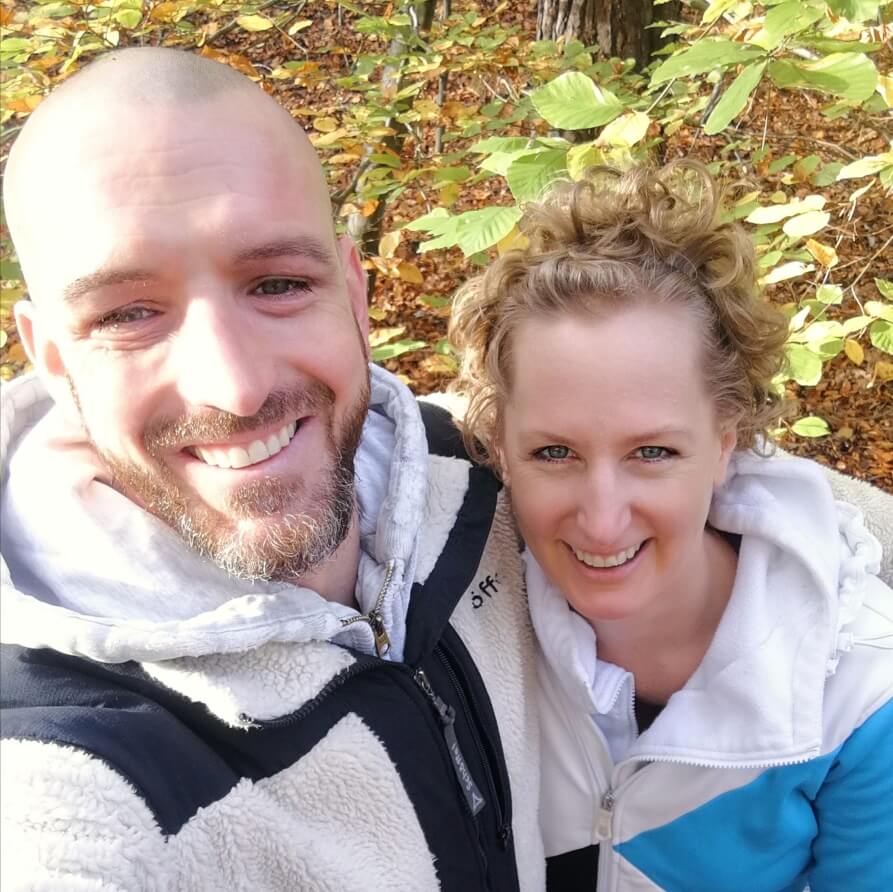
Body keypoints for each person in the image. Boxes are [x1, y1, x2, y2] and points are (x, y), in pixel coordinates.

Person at [0, 47, 546, 891]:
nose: (236, 385)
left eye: (278, 284)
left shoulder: (485, 478)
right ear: (52, 359)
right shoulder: (66, 771)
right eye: (130, 313)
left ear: (354, 294)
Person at [447, 162, 893, 891]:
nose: (601, 520)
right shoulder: (462, 616)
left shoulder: (860, 693)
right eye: (553, 453)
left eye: (652, 453)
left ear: (725, 442)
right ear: (499, 446)